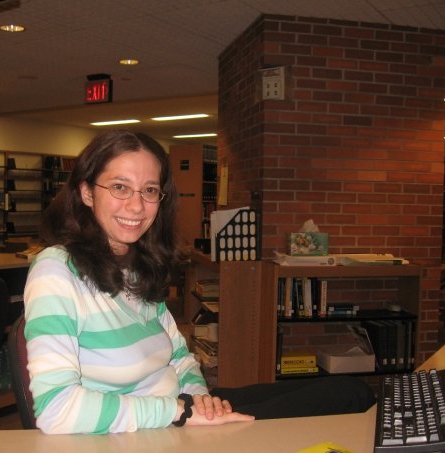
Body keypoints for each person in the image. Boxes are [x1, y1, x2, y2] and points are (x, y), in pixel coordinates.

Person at [23, 130, 375, 435]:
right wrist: (179, 412)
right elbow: (57, 410)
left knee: (349, 389)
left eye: (149, 190)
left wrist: (199, 399)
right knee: (346, 398)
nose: (136, 206)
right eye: (119, 187)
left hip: (177, 408)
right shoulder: (56, 271)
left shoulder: (137, 265)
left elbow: (178, 353)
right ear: (86, 192)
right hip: (142, 427)